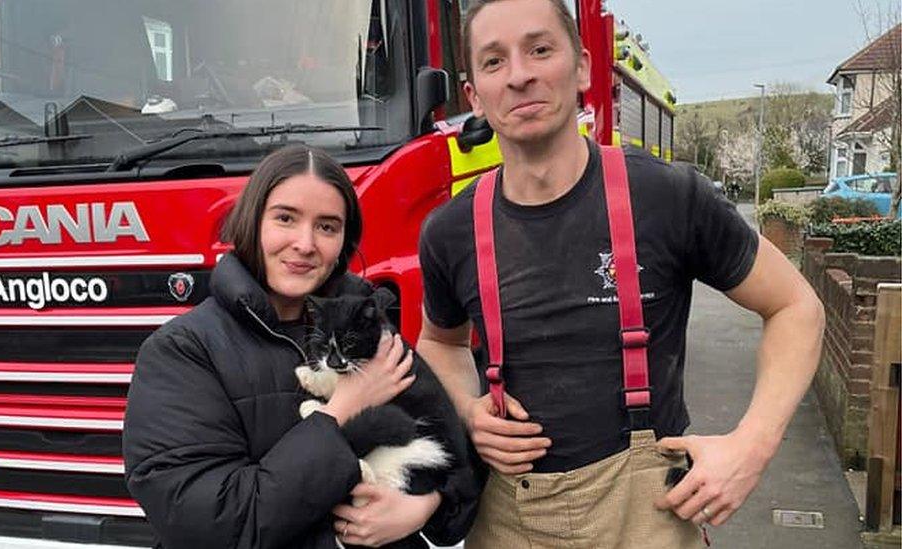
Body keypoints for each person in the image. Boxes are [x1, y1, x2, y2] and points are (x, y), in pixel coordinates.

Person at [415, 0, 825, 547]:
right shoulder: (449, 231)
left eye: (540, 49)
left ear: (583, 66)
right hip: (509, 522)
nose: (519, 76)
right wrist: (467, 411)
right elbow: (438, 343)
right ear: (474, 97)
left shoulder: (668, 197)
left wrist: (751, 446)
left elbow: (797, 307)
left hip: (650, 517)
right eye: (493, 62)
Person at [123, 144, 475, 548]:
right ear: (251, 222)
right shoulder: (183, 352)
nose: (305, 244)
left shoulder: (370, 333)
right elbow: (212, 525)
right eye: (286, 218)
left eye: (327, 227)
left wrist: (424, 505)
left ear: (345, 239)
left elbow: (454, 469)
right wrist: (342, 408)